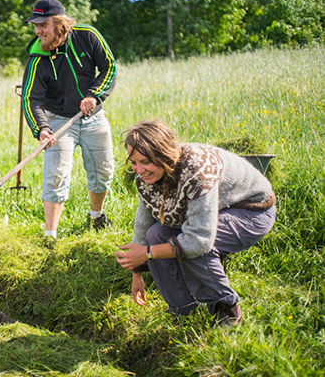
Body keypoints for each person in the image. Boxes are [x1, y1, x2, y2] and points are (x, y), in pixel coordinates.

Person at [115, 121, 276, 326]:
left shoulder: (198, 170)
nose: (139, 170)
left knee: (194, 245)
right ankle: (183, 310)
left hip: (251, 210)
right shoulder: (145, 177)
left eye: (145, 161)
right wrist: (136, 271)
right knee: (155, 235)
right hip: (215, 210)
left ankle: (227, 308)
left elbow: (199, 240)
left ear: (163, 155)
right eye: (133, 162)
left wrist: (148, 253)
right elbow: (143, 224)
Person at [21, 0, 117, 239]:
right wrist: (42, 128)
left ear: (59, 23)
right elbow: (31, 99)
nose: (38, 31)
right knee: (56, 175)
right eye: (35, 25)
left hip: (93, 117)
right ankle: (50, 235)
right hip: (57, 121)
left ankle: (96, 216)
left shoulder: (88, 36)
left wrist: (94, 96)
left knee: (102, 171)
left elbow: (109, 67)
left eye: (43, 25)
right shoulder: (37, 57)